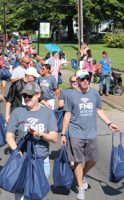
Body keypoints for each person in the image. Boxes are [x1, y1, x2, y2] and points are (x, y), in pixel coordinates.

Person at [61, 70, 119, 200]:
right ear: (78, 81)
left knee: (93, 159)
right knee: (77, 160)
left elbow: (99, 109)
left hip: (91, 132)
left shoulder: (94, 94)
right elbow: (67, 114)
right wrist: (63, 134)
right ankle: (80, 187)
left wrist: (110, 123)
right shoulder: (71, 95)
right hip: (76, 132)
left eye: (87, 78)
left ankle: (81, 176)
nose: (85, 80)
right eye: (82, 79)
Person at [6, 82, 58, 200]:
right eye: (24, 96)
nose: (26, 98)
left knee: (37, 195)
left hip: (41, 161)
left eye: (29, 95)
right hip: (22, 159)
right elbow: (9, 135)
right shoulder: (18, 112)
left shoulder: (48, 113)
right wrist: (16, 151)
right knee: (20, 195)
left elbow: (54, 137)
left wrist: (39, 134)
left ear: (38, 94)